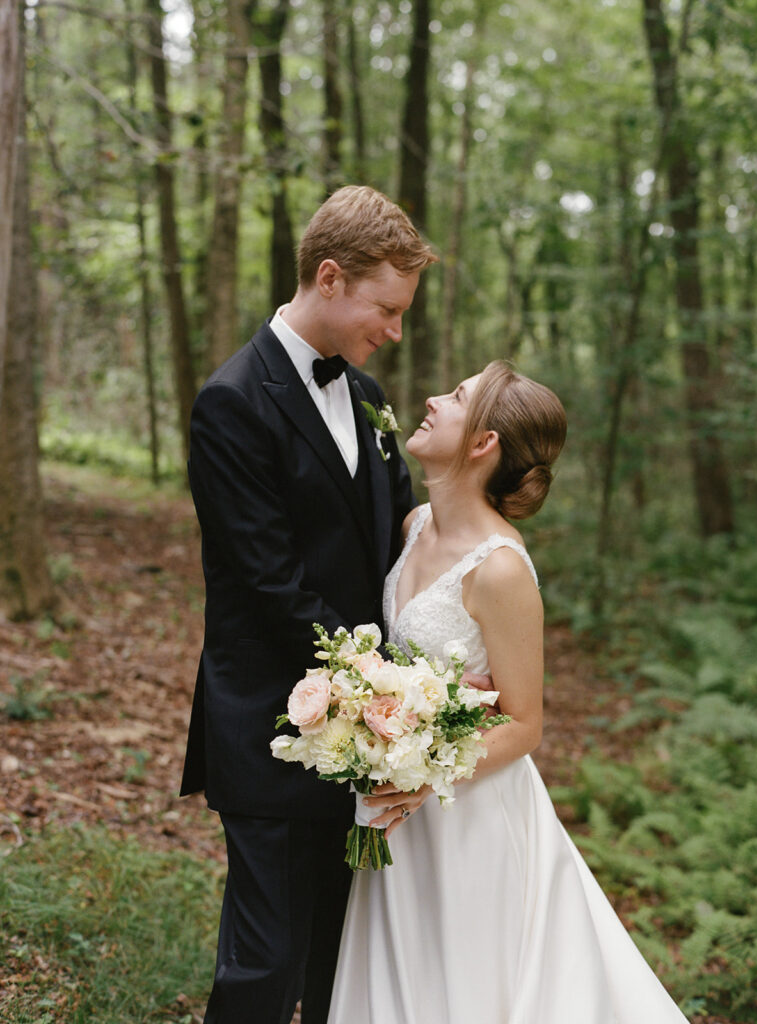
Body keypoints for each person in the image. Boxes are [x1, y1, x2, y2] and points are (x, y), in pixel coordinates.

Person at [328, 361, 690, 1023]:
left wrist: (426, 768)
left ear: (483, 443)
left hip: (471, 817)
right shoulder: (413, 528)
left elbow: (526, 725)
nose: (434, 400)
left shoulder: (499, 569)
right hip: (401, 811)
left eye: (458, 396)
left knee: (470, 989)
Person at [179, 185, 437, 1024]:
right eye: (387, 308)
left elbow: (398, 547)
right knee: (265, 967)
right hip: (273, 730)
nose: (395, 330)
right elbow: (268, 579)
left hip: (370, 740)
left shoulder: (366, 399)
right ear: (330, 277)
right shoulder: (231, 402)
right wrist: (378, 685)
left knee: (343, 963)